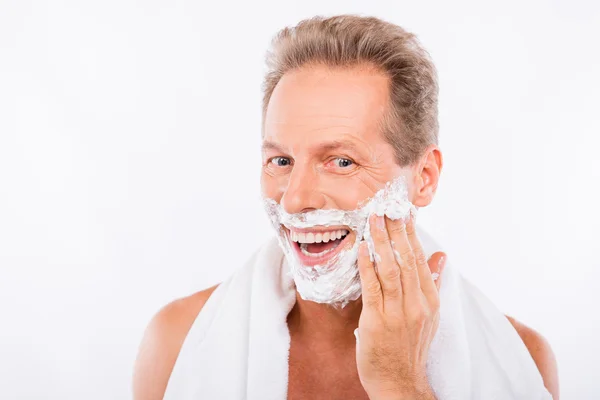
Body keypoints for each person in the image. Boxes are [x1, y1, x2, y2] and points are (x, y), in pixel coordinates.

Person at [133, 15, 559, 399]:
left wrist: (400, 383)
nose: (295, 200)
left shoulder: (522, 361)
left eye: (341, 162)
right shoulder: (177, 343)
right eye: (281, 161)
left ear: (424, 177)